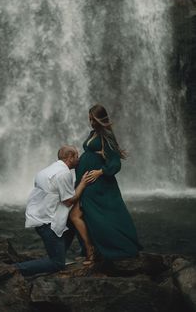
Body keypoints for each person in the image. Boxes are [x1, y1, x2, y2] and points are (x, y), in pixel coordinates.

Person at [71, 104, 142, 263]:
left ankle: (102, 250)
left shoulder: (107, 135)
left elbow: (115, 162)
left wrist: (100, 171)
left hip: (98, 183)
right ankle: (92, 250)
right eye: (89, 118)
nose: (90, 122)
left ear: (100, 118)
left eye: (93, 119)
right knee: (85, 214)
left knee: (94, 215)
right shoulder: (94, 133)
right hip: (86, 182)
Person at [15, 145, 93, 276]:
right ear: (70, 157)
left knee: (74, 222)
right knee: (57, 263)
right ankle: (16, 269)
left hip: (39, 216)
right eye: (77, 157)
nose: (78, 160)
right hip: (47, 223)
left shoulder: (47, 170)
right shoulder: (63, 174)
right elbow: (69, 201)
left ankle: (85, 252)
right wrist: (83, 184)